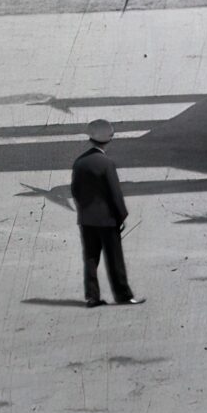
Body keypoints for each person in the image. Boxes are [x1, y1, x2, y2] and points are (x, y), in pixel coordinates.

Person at [69, 119, 142, 308]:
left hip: (86, 219)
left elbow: (75, 190)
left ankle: (92, 297)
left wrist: (84, 210)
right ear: (108, 140)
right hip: (107, 219)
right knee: (114, 258)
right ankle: (123, 295)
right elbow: (115, 193)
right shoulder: (106, 163)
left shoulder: (80, 162)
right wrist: (122, 216)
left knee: (91, 258)